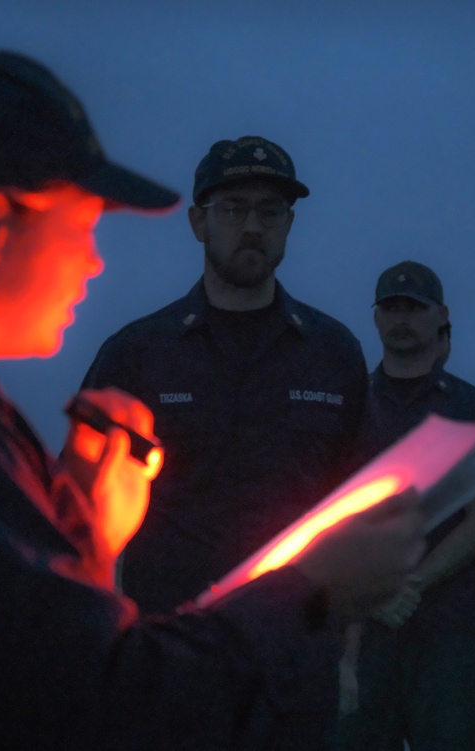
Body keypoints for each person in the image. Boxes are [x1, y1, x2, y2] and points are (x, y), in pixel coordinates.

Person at [0, 50, 425, 750]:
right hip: (188, 671)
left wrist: (84, 530)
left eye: (269, 212)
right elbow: (87, 697)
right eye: (84, 223)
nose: (94, 260)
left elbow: (0, 639)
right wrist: (310, 590)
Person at [80, 135, 369, 613]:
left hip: (293, 642)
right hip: (169, 641)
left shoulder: (333, 354)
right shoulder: (138, 354)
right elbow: (84, 508)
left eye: (271, 211)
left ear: (289, 224)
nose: (253, 226)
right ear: (199, 222)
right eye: (234, 209)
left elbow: (358, 505)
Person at [336, 261, 475, 751]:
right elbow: (324, 517)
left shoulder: (472, 409)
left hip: (446, 632)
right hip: (362, 633)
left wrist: (410, 583)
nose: (402, 318)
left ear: (442, 316)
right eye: (391, 307)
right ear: (375, 317)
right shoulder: (350, 406)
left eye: (415, 307)